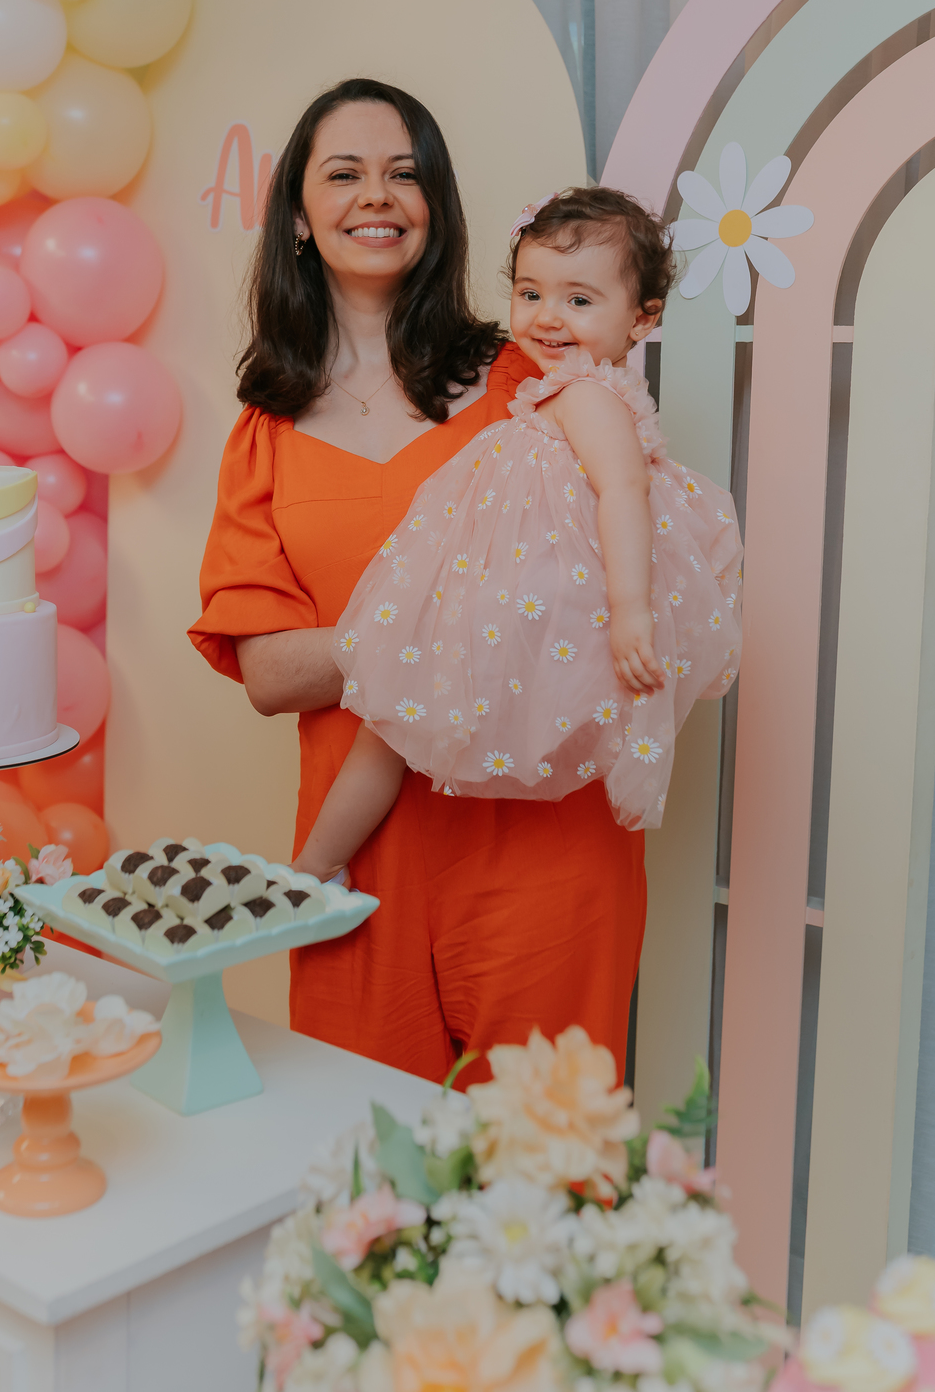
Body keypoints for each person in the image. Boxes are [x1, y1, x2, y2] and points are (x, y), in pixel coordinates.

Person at [189, 80, 647, 1087]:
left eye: (405, 173)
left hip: (540, 842)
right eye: (343, 174)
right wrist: (445, 625)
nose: (376, 195)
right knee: (366, 1155)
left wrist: (384, 641)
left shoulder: (531, 377)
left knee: (543, 1156)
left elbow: (604, 584)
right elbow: (270, 673)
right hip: (358, 862)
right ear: (299, 215)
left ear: (436, 205)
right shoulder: (264, 429)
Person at [293, 188, 743, 885]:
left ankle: (318, 865)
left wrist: (631, 610)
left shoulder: (589, 396)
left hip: (519, 606)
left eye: (579, 300)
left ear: (642, 318)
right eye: (531, 293)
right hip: (508, 595)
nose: (547, 317)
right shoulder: (562, 389)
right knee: (388, 728)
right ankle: (320, 864)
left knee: (387, 726)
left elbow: (624, 492)